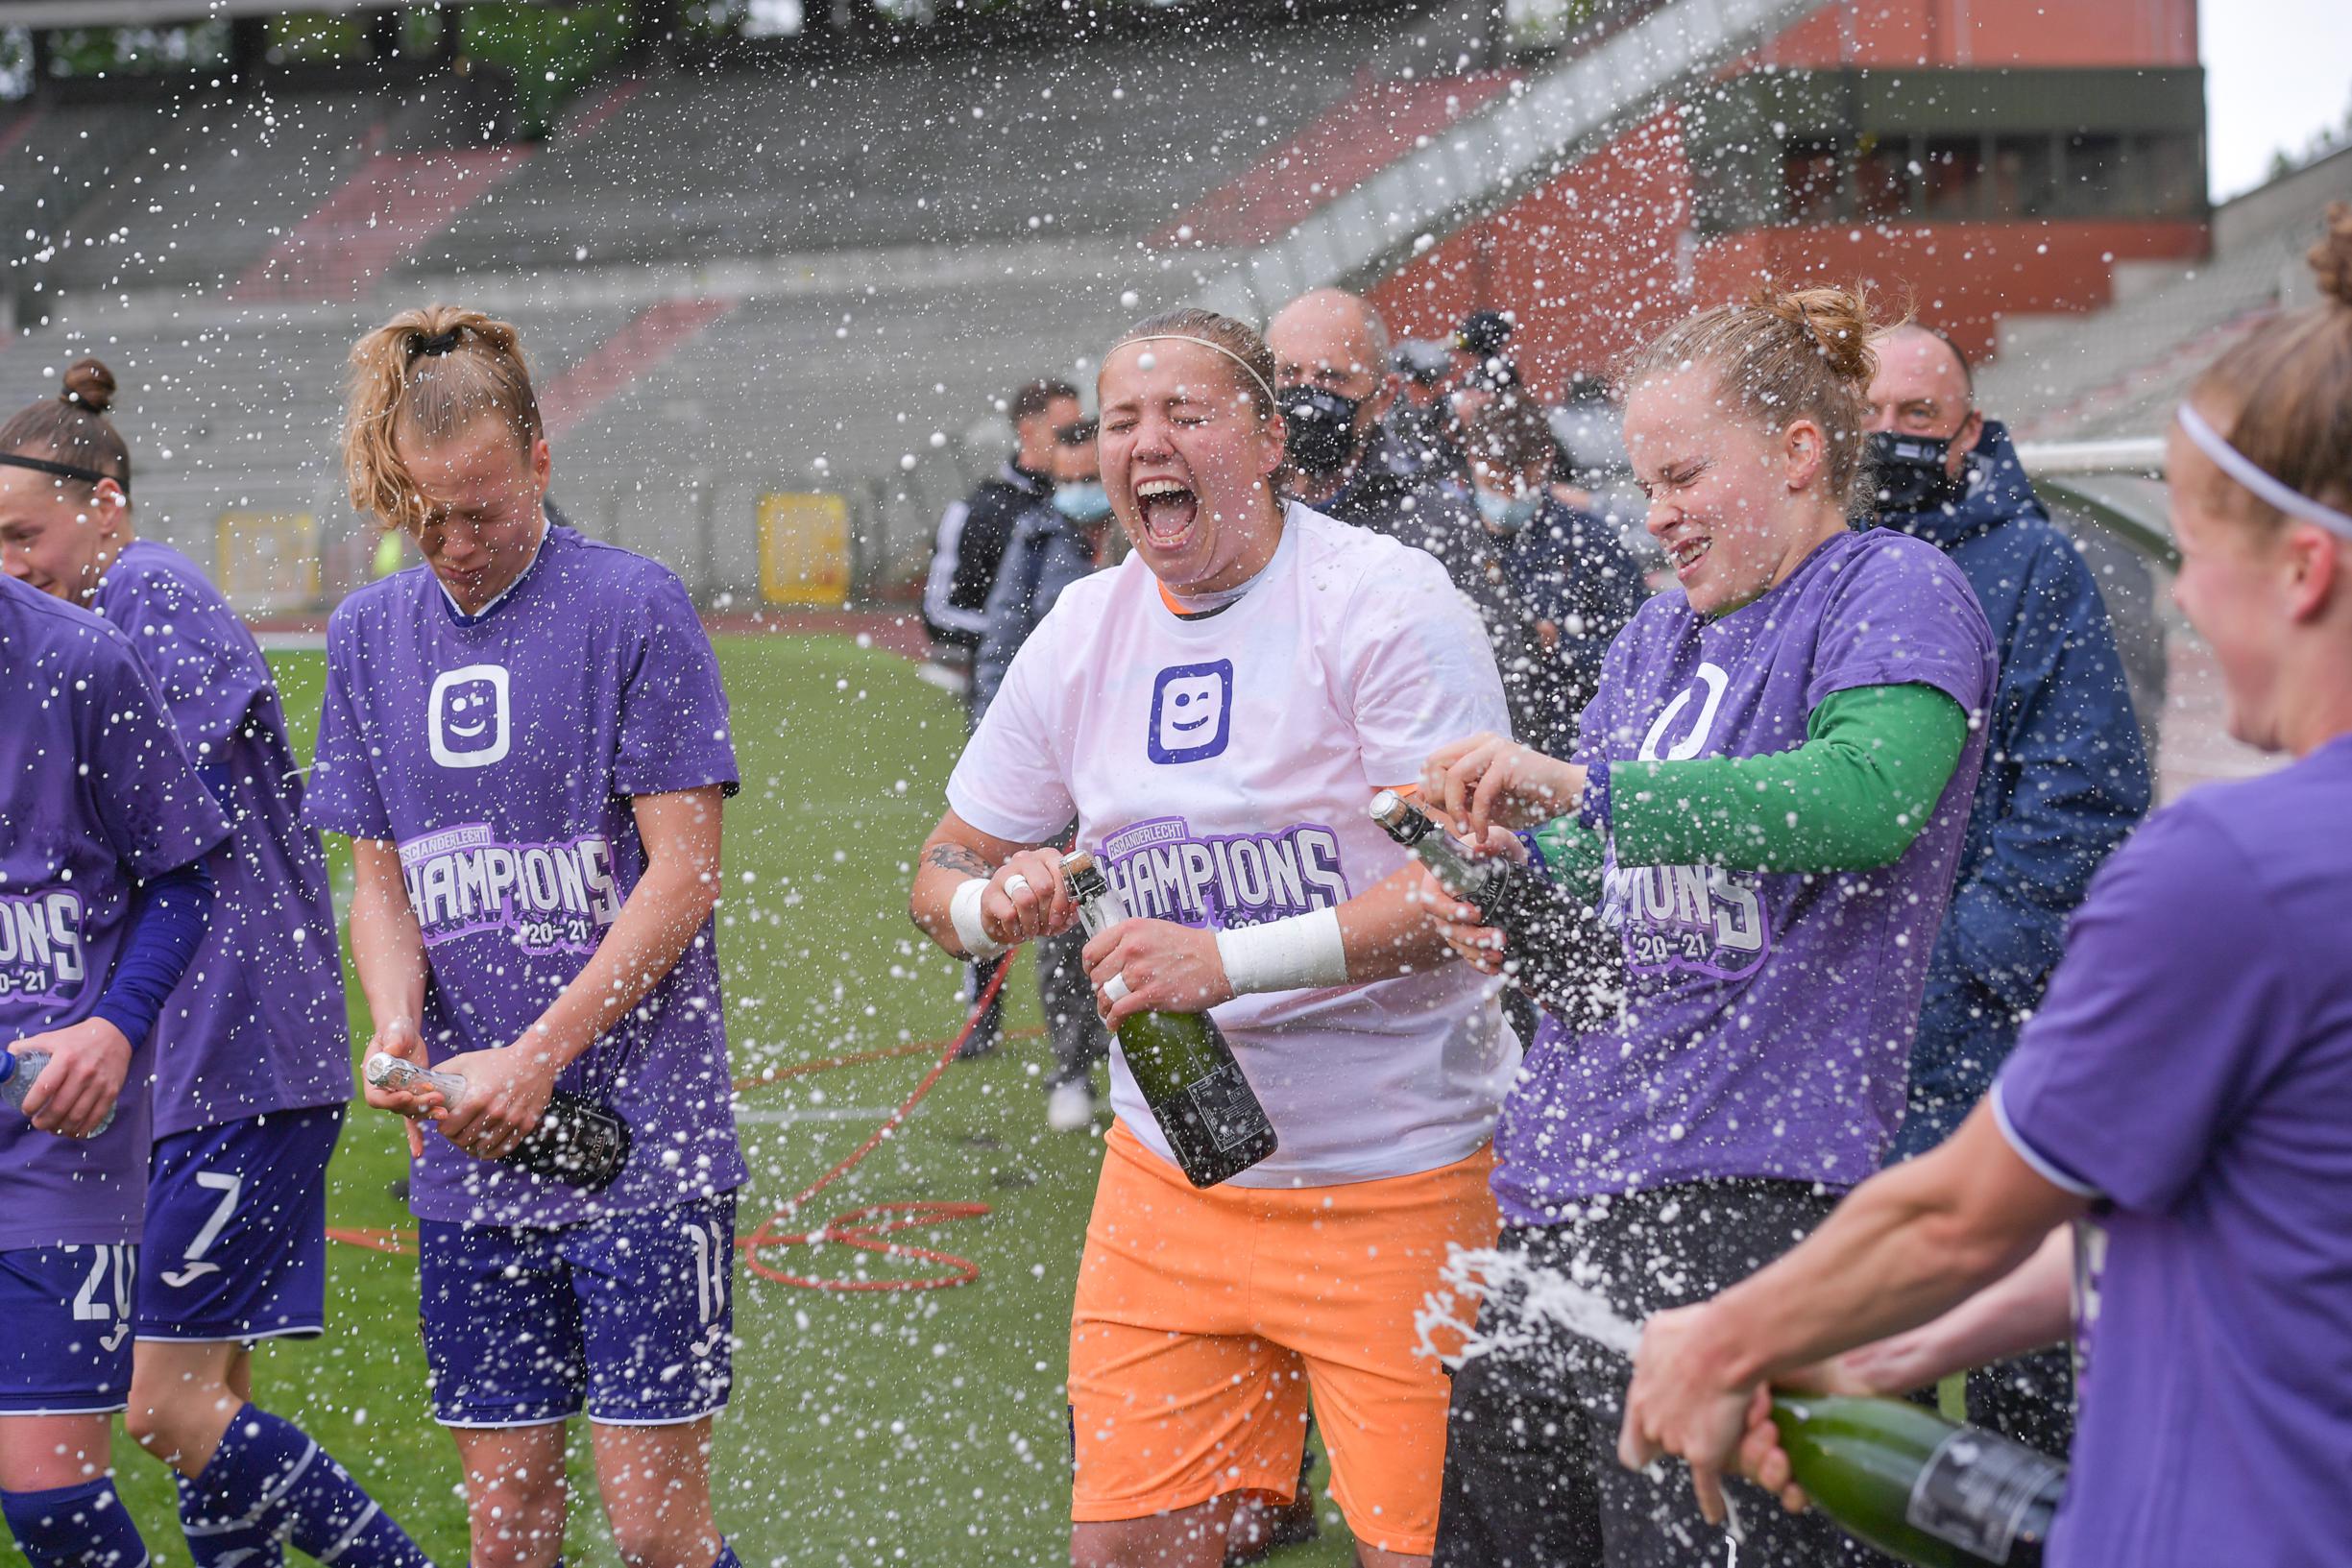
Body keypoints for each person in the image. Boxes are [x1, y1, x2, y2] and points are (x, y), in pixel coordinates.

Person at [1618, 208, 2352, 1568]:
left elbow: (1960, 1208)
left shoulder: (2235, 873)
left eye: (2195, 551)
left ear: (2304, 571)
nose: (2181, 599)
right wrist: (1922, 1337)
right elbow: (2245, 1224)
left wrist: (1722, 1336)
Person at [907, 308, 1518, 1568]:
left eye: (1187, 413)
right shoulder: (1079, 633)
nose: (1146, 444)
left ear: (1272, 437)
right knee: (1130, 1555)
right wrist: (994, 905)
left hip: (1405, 1173)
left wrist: (1229, 962)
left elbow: (1465, 891)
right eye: (1120, 421)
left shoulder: (1383, 602)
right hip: (1172, 1186)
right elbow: (942, 866)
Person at [1416, 284, 1999, 1568]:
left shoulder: (1891, 588)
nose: (1657, 512)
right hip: (1563, 1187)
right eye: (1643, 481)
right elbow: (1612, 879)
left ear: (1798, 452)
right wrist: (1516, 882)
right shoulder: (1647, 642)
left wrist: (1586, 793)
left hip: (1757, 1196)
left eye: (1682, 475)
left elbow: (1865, 799)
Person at [311, 306, 744, 1568]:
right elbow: (380, 882)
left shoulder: (633, 605)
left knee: (659, 1535)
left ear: (542, 461)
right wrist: (395, 1021)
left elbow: (684, 876)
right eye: (420, 514)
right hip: (467, 1160)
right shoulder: (366, 636)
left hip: (643, 1147)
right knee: (508, 1533)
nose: (449, 544)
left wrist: (540, 1053)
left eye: (481, 511)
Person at [0, 362, 432, 1568]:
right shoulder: (94, 619)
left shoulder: (148, 596)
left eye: (24, 534)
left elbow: (142, 827)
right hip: (189, 1064)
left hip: (232, 1052)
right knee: (204, 1400)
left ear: (109, 506)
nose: (13, 562)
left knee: (160, 1403)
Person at [1863, 325, 2152, 1457]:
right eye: (1870, 412)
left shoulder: (2034, 567)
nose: (1888, 437)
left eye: (1918, 419)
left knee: (2026, 1395)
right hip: (1837, 1045)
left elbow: (2081, 804)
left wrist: (1947, 969)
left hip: (1990, 1038)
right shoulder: (1797, 565)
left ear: (1968, 434)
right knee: (1852, 1391)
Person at [0, 573, 221, 1568]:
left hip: (56, 1143)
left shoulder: (81, 657)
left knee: (51, 1501)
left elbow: (183, 872)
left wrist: (115, 1028)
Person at [924, 376, 1083, 1056]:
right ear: (1027, 434)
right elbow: (939, 613)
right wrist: (1017, 640)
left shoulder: (1098, 505)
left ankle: (1079, 1034)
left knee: (1083, 867)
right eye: (1064, 431)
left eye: (1085, 430)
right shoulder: (984, 509)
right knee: (992, 863)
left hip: (1085, 722)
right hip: (1005, 715)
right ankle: (981, 1014)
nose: (1079, 443)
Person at [974, 416, 1116, 1133]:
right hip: (1060, 767)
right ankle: (1071, 1068)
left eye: (1092, 473)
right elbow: (1003, 644)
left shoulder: (1149, 531)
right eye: (1070, 475)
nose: (1082, 485)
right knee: (1063, 925)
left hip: (1133, 764)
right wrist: (995, 746)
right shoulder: (1034, 538)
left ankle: (1145, 1066)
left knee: (1150, 915)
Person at [1457, 397, 1644, 757]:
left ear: (1544, 462)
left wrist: (1563, 647)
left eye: (1522, 479)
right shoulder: (1450, 539)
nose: (1510, 493)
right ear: (1473, 461)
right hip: (1470, 743)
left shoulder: (1588, 542)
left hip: (1566, 746)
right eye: (1496, 479)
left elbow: (1638, 652)